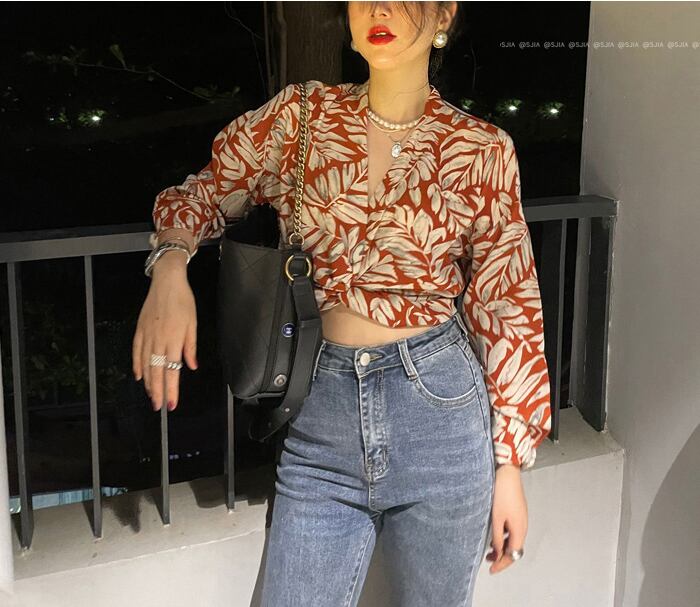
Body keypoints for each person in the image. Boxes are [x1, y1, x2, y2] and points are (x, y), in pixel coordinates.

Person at [132, 2, 552, 605]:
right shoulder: (302, 117)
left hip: (440, 417)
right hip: (319, 416)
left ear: (443, 17)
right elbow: (203, 192)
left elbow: (506, 302)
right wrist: (171, 268)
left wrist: (509, 465)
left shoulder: (481, 149)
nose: (378, 8)